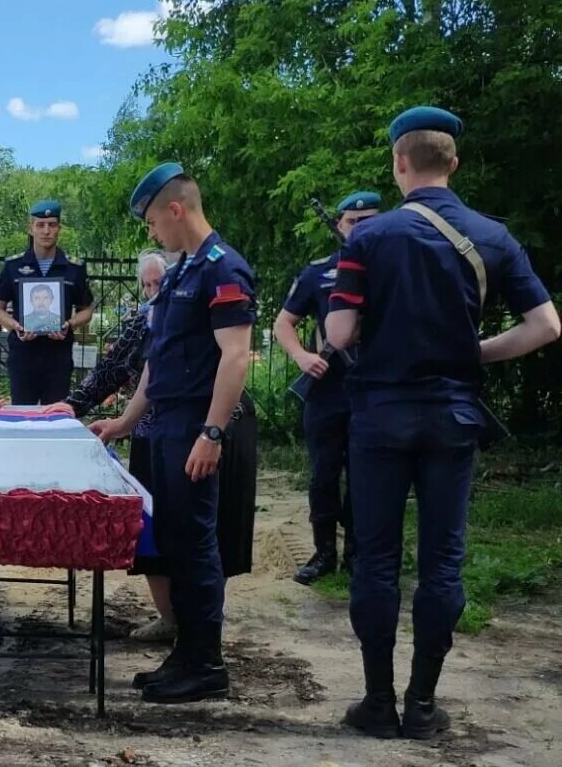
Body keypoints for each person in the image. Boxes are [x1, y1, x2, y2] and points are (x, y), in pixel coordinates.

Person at [325, 106, 559, 739]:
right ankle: (423, 706)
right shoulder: (493, 235)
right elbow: (547, 326)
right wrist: (473, 352)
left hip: (379, 417)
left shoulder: (368, 239)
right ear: (452, 162)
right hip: (454, 418)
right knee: (443, 562)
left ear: (400, 162)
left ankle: (377, 703)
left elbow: (342, 330)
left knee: (375, 560)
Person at [91, 163, 256, 704]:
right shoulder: (182, 273)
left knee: (196, 544)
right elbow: (156, 369)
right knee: (178, 543)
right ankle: (186, 652)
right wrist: (124, 422)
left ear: (175, 209)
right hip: (166, 427)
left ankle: (206, 662)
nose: (151, 231)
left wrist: (211, 432)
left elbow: (235, 357)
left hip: (194, 426)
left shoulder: (222, 269)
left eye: (152, 220)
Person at [55, 250, 257, 643]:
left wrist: (212, 432)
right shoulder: (142, 319)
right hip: (158, 427)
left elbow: (232, 359)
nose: (152, 291)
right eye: (146, 284)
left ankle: (201, 629)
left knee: (211, 531)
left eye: (158, 283)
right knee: (165, 531)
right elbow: (115, 372)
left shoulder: (205, 298)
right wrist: (79, 407)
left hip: (209, 424)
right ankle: (175, 622)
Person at [274, 191, 380, 584]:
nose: (360, 228)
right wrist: (302, 357)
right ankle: (323, 554)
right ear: (339, 225)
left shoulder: (390, 268)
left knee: (364, 475)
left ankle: (356, 553)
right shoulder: (319, 271)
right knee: (323, 476)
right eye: (353, 222)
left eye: (370, 220)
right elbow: (283, 323)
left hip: (371, 391)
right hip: (326, 391)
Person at [0, 200, 94, 404]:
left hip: (58, 358)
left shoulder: (74, 268)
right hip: (23, 356)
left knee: (54, 420)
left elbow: (86, 310)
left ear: (59, 229)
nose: (46, 231)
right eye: (40, 225)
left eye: (52, 225)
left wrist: (69, 324)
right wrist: (16, 326)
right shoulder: (13, 266)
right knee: (22, 419)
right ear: (31, 228)